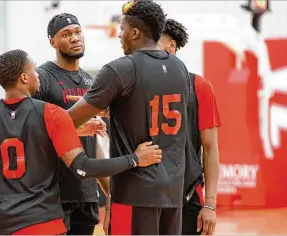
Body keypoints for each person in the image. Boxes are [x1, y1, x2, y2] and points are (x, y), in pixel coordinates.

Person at [0, 49, 163, 235]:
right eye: (34, 70)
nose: (38, 75)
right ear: (24, 78)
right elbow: (83, 168)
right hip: (44, 223)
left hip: (2, 226)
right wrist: (134, 159)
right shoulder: (51, 114)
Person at [67, 0, 191, 234]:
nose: (119, 35)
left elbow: (67, 121)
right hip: (173, 191)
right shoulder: (180, 67)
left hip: (136, 192)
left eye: (122, 30)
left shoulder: (120, 69)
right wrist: (113, 109)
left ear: (135, 33)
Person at [32, 13, 109, 235]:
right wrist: (70, 126)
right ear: (52, 42)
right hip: (53, 193)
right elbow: (28, 126)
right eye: (66, 34)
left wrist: (107, 190)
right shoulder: (43, 77)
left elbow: (95, 144)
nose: (74, 38)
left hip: (86, 193)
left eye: (77, 32)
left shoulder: (91, 82)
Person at [158, 18, 221, 235]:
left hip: (188, 194)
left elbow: (210, 148)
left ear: (171, 47)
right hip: (146, 195)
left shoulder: (199, 86)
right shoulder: (134, 85)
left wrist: (210, 204)